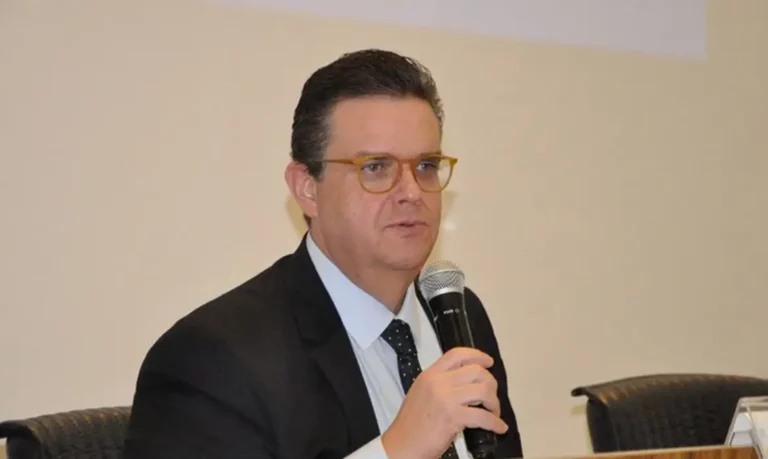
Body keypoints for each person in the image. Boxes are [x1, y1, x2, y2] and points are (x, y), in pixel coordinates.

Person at [123, 48, 523, 459]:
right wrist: (395, 451)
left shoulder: (459, 318)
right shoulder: (213, 357)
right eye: (376, 167)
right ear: (307, 188)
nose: (411, 192)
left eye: (426, 166)